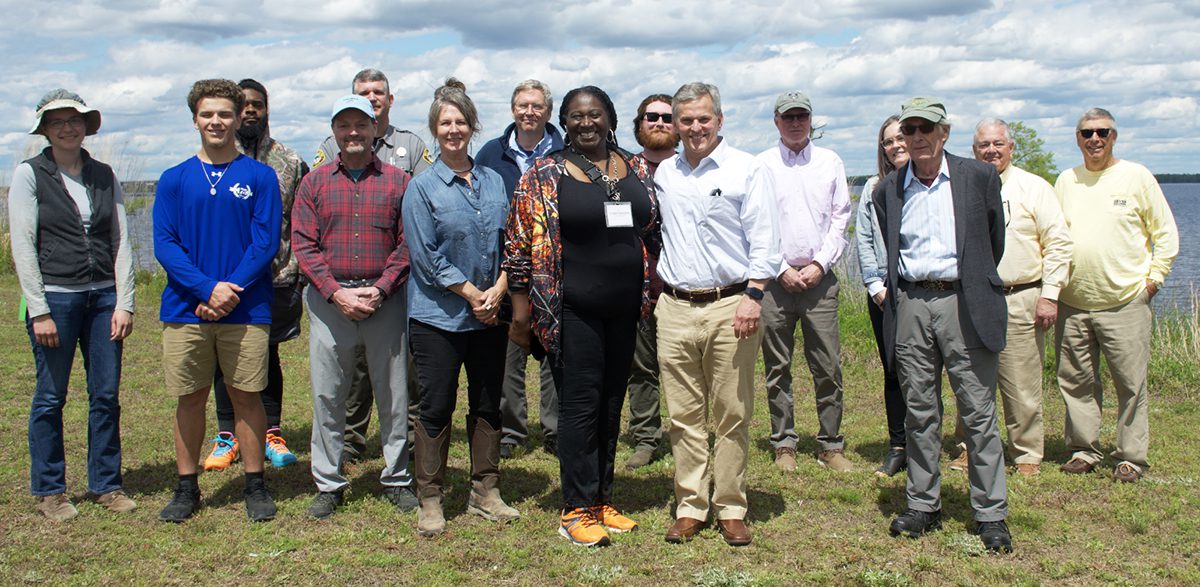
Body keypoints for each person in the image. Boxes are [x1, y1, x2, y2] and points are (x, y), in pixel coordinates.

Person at [504, 85, 658, 547]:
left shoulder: (633, 167)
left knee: (612, 403)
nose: (585, 122)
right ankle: (574, 508)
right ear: (564, 123)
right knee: (580, 407)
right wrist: (519, 314)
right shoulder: (543, 174)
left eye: (594, 114)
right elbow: (518, 249)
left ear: (609, 117)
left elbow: (652, 227)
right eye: (575, 116)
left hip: (625, 307)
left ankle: (601, 500)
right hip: (572, 311)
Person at [874, 97, 1010, 552]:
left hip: (964, 302)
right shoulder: (888, 189)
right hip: (912, 302)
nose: (918, 138)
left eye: (926, 129)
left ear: (944, 132)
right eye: (909, 130)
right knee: (919, 410)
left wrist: (967, 283)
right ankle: (922, 504)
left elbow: (994, 241)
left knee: (977, 412)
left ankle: (990, 514)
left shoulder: (979, 177)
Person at [655, 82, 781, 547]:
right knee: (684, 414)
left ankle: (730, 505)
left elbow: (766, 240)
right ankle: (691, 505)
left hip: (733, 305)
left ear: (719, 120)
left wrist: (753, 296)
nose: (694, 128)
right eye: (685, 120)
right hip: (674, 307)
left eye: (702, 119)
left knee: (732, 412)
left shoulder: (746, 169)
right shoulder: (665, 173)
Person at [153, 79, 281, 523]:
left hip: (246, 308)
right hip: (185, 308)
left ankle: (255, 484)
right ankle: (186, 487)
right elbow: (166, 245)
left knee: (247, 396)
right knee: (190, 397)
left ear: (237, 117)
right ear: (195, 119)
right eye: (208, 114)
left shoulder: (260, 177)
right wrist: (206, 290)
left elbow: (265, 244)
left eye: (225, 114)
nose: (217, 121)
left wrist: (227, 291)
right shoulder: (173, 179)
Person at [11, 89, 136, 521]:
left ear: (86, 126)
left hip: (104, 299)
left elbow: (121, 242)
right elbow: (24, 248)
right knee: (50, 396)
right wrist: (39, 309)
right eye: (58, 121)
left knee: (105, 394)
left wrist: (125, 302)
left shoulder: (104, 174)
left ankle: (106, 483)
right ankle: (50, 490)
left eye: (75, 120)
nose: (68, 127)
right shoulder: (31, 175)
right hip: (56, 299)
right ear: (45, 129)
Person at [403, 79, 520, 537]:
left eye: (461, 121)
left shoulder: (493, 180)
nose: (454, 129)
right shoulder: (422, 188)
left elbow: (512, 241)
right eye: (445, 122)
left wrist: (500, 290)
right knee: (435, 404)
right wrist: (474, 294)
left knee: (490, 400)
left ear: (473, 126)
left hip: (492, 314)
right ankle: (430, 497)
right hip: (439, 317)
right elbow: (426, 256)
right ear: (435, 130)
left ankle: (485, 491)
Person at [293, 94, 416, 519]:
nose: (353, 133)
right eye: (344, 125)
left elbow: (407, 243)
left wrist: (381, 289)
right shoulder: (314, 182)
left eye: (361, 124)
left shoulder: (399, 182)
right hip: (331, 303)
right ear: (334, 131)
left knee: (394, 395)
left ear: (374, 129)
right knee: (329, 395)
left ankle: (397, 477)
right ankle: (329, 482)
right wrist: (336, 292)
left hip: (385, 300)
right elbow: (304, 245)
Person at [1054, 108, 1178, 483]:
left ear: (1114, 136)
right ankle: (1084, 448)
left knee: (1130, 383)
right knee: (1076, 381)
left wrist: (1152, 281)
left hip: (1125, 301)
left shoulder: (1135, 177)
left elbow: (1166, 234)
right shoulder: (1065, 181)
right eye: (1087, 133)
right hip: (1073, 303)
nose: (1095, 139)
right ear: (1077, 138)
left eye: (1102, 132)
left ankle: (1130, 456)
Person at [314, 68, 430, 464]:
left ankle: (403, 451)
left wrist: (383, 285)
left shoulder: (409, 148)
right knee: (346, 376)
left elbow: (417, 213)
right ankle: (349, 440)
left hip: (395, 284)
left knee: (399, 375)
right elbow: (309, 231)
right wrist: (336, 290)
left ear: (388, 100)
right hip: (340, 287)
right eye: (364, 92)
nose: (373, 97)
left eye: (378, 93)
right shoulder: (325, 158)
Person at [204, 78, 308, 472]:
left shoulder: (289, 161)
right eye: (243, 105)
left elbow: (301, 222)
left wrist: (298, 272)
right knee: (222, 357)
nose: (250, 111)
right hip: (222, 281)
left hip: (277, 278)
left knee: (267, 355)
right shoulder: (214, 162)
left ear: (267, 110)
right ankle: (227, 434)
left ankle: (271, 431)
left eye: (257, 105)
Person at [756, 91, 853, 473]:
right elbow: (757, 222)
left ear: (811, 120)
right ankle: (784, 443)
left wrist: (819, 264)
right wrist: (780, 267)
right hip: (776, 282)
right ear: (776, 121)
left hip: (820, 282)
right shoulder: (762, 165)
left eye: (802, 116)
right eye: (788, 117)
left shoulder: (830, 162)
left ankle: (830, 444)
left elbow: (840, 218)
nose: (796, 122)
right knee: (777, 366)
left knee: (827, 365)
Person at [972, 118, 1072, 477]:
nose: (991, 150)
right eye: (984, 144)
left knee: (1021, 381)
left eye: (998, 144)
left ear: (1011, 148)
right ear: (974, 150)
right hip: (973, 298)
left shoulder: (1034, 188)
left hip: (1021, 294)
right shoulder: (966, 185)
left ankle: (1026, 453)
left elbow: (1059, 243)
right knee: (971, 379)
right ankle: (970, 447)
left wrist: (1050, 294)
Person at [477, 79, 563, 459]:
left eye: (537, 106)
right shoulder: (491, 154)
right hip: (506, 270)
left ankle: (556, 430)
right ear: (513, 109)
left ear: (548, 110)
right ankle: (512, 430)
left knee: (553, 353)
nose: (530, 112)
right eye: (523, 105)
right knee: (509, 351)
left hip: (555, 271)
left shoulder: (565, 151)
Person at [623, 93, 677, 470]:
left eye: (667, 118)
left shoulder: (691, 168)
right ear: (639, 125)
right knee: (641, 367)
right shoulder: (622, 170)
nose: (659, 123)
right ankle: (645, 436)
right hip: (636, 286)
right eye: (651, 116)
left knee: (684, 367)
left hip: (682, 287)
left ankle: (686, 433)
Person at [857, 115, 910, 477]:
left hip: (922, 292)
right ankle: (898, 446)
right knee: (893, 370)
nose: (896, 145)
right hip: (884, 295)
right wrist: (875, 286)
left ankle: (926, 444)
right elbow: (863, 237)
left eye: (901, 138)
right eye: (888, 141)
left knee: (926, 373)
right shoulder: (874, 187)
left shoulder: (928, 184)